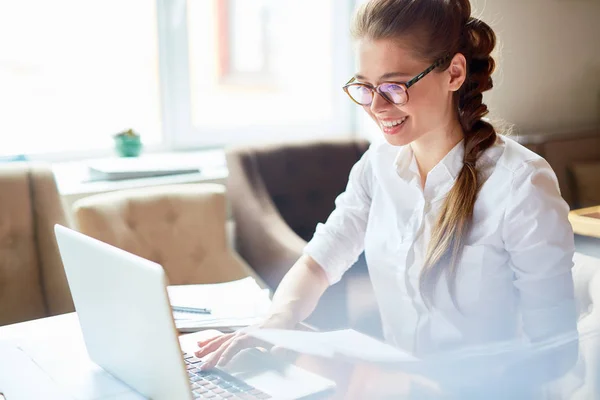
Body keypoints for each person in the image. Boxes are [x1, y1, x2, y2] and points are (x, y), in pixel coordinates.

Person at [196, 0, 579, 397]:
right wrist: (277, 320)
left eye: (395, 86)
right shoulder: (378, 165)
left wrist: (429, 381)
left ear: (454, 73)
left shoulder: (520, 183)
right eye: (365, 86)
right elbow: (319, 260)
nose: (377, 107)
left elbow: (555, 352)